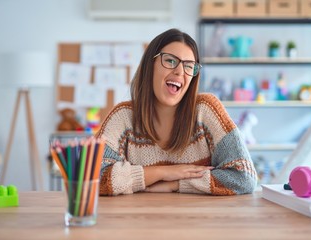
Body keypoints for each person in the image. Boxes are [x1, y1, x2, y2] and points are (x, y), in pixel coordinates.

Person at [96, 28, 257, 196]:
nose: (180, 71)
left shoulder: (206, 110)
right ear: (150, 66)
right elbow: (91, 177)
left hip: (196, 220)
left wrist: (177, 183)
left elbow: (244, 176)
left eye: (189, 66)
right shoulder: (122, 116)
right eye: (171, 61)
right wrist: (163, 172)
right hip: (139, 219)